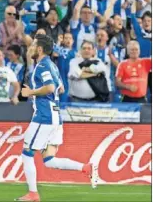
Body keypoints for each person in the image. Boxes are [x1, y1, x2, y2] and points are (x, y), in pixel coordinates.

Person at [18, 34, 97, 202]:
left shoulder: (42, 66)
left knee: (27, 153)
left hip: (44, 117)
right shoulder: (52, 66)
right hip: (56, 118)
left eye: (32, 45)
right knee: (49, 160)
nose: (30, 48)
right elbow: (60, 89)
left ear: (39, 49)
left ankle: (33, 194)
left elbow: (51, 87)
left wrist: (31, 92)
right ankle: (85, 167)